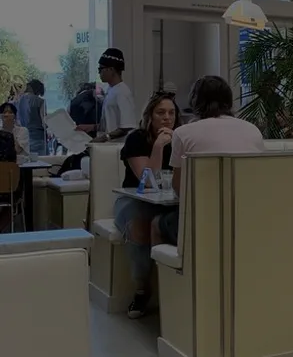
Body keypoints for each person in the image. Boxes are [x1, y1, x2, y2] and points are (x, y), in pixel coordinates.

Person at [151, 76, 265, 247]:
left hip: (203, 221)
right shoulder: (253, 131)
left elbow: (179, 187)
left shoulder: (183, 133)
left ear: (195, 101)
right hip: (248, 219)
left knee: (156, 224)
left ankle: (178, 262)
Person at [114, 92, 180, 319]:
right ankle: (142, 289)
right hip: (133, 200)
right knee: (140, 225)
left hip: (167, 202)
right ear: (150, 116)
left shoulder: (180, 139)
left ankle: (172, 291)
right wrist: (159, 146)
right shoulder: (137, 139)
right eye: (161, 113)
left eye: (171, 113)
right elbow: (147, 182)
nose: (167, 118)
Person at [77, 48, 137, 142]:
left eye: (100, 69)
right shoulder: (111, 90)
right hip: (108, 147)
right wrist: (91, 127)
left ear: (111, 69)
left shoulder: (122, 93)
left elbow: (127, 127)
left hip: (117, 148)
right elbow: (109, 124)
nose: (99, 72)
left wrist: (104, 138)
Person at [16, 79, 46, 155]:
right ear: (37, 90)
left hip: (22, 138)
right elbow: (44, 122)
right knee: (40, 161)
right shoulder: (40, 101)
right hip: (37, 138)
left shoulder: (18, 101)